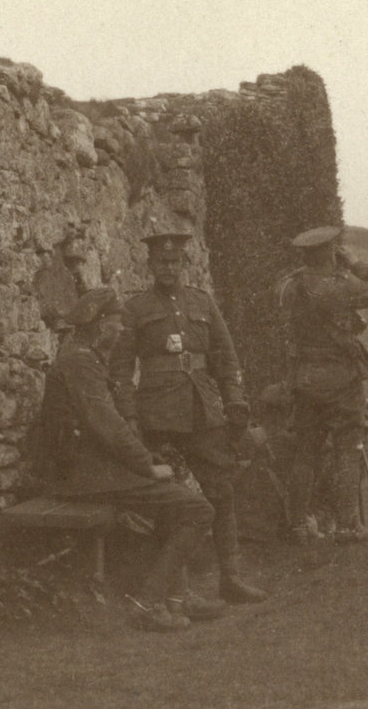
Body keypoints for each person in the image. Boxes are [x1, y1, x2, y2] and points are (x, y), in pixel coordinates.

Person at [37, 287, 227, 631]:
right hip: (81, 475)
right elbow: (107, 425)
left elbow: (108, 425)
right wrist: (146, 464)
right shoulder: (80, 362)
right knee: (199, 510)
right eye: (116, 323)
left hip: (89, 469)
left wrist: (146, 458)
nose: (122, 329)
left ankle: (177, 599)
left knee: (179, 500)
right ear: (99, 326)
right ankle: (148, 602)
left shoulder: (84, 357)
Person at [109, 226, 268, 603]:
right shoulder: (135, 309)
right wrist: (131, 420)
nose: (169, 268)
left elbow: (225, 360)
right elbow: (119, 372)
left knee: (222, 491)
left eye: (175, 261)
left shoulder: (202, 303)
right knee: (172, 502)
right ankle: (178, 592)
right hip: (158, 417)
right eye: (161, 261)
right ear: (150, 264)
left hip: (203, 414)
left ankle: (230, 578)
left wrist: (234, 403)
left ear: (183, 263)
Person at [278, 226, 368, 544]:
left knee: (305, 452)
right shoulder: (339, 287)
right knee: (347, 448)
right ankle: (347, 527)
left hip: (303, 378)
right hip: (341, 379)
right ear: (332, 252)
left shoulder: (290, 285)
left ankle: (298, 527)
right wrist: (355, 263)